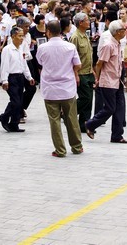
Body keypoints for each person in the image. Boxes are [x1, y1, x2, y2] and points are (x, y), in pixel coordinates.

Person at [35, 20, 83, 157]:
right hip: (67, 87)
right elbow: (77, 65)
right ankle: (77, 146)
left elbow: (40, 62)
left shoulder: (42, 47)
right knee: (71, 118)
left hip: (50, 88)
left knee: (54, 120)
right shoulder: (69, 47)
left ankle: (60, 149)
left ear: (48, 32)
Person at [85, 20, 127, 144]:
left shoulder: (118, 44)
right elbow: (99, 63)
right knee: (110, 108)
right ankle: (90, 124)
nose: (125, 31)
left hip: (117, 80)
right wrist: (97, 79)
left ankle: (117, 135)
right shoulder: (108, 45)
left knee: (120, 108)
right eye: (123, 29)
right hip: (108, 81)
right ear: (117, 32)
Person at [0, 26, 35, 133]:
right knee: (16, 102)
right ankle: (4, 117)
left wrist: (29, 77)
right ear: (13, 36)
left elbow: (24, 64)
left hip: (20, 77)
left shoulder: (20, 49)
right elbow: (4, 66)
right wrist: (4, 80)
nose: (21, 38)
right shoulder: (7, 49)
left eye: (22, 36)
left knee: (19, 101)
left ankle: (14, 124)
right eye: (19, 36)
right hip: (11, 78)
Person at [70, 12, 95, 132]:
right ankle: (68, 112)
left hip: (89, 71)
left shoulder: (85, 35)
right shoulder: (75, 37)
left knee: (89, 99)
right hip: (80, 73)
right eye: (87, 20)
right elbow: (72, 58)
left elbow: (88, 55)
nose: (89, 22)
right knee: (85, 97)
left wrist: (93, 71)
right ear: (80, 23)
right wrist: (75, 74)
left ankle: (85, 124)